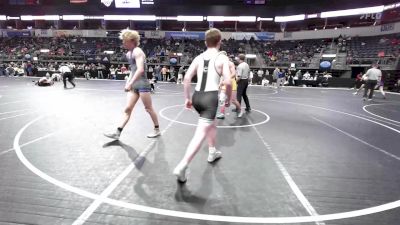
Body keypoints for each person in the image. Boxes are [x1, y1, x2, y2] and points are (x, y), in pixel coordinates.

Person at [173, 28, 232, 183]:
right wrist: (228, 98)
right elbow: (227, 81)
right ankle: (183, 165)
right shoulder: (222, 58)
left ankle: (212, 151)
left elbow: (186, 78)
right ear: (220, 42)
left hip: (197, 97)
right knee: (199, 135)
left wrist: (187, 98)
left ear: (205, 42)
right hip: (210, 99)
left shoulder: (199, 57)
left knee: (211, 125)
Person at [104, 29, 161, 140]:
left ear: (132, 40)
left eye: (125, 41)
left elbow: (140, 70)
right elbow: (133, 70)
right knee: (127, 109)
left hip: (143, 84)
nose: (123, 43)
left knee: (148, 109)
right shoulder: (129, 53)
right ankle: (117, 132)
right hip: (134, 85)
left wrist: (130, 83)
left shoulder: (137, 51)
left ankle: (157, 129)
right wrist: (128, 82)